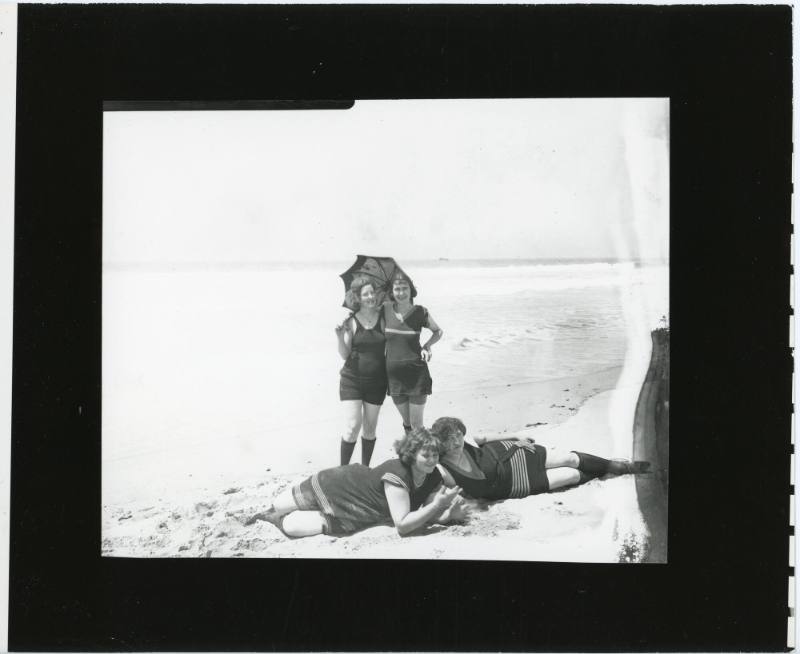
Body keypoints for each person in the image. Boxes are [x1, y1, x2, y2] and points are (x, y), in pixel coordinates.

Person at [246, 428, 466, 538]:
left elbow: (425, 515)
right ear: (411, 454)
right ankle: (272, 514)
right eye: (425, 456)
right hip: (338, 484)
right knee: (279, 506)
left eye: (435, 455)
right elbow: (403, 525)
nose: (432, 460)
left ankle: (276, 521)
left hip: (359, 511)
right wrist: (438, 505)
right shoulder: (398, 474)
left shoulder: (433, 475)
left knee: (292, 527)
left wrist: (448, 515)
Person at [430, 416, 650, 500]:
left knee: (570, 459)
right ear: (441, 442)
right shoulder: (444, 469)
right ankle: (601, 471)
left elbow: (486, 437)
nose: (457, 442)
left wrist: (517, 435)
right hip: (516, 484)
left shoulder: (469, 440)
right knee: (572, 475)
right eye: (450, 439)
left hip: (514, 453)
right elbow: (432, 488)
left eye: (459, 435)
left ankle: (620, 467)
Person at [335, 279, 387, 466]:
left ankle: (364, 470)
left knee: (370, 429)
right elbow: (344, 354)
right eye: (365, 294)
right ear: (357, 297)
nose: (370, 297)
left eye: (372, 293)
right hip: (352, 380)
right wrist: (340, 338)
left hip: (378, 381)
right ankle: (343, 471)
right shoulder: (351, 320)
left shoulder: (384, 318)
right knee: (352, 426)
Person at [383, 271, 443, 434]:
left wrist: (427, 346)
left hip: (416, 374)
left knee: (417, 424)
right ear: (392, 292)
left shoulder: (420, 312)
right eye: (397, 289)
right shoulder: (384, 310)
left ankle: (424, 455)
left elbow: (437, 331)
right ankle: (412, 456)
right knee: (407, 423)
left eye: (404, 288)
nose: (401, 293)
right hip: (394, 376)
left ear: (411, 291)